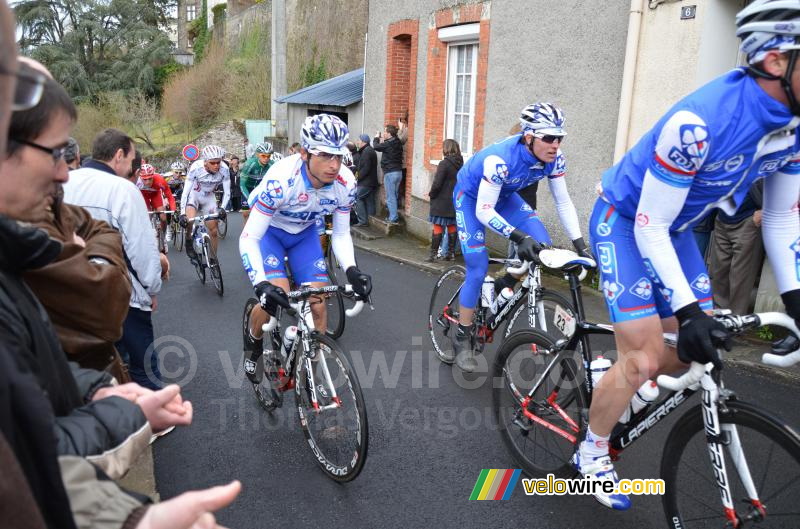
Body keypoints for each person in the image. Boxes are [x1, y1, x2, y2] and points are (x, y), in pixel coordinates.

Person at [579, 1, 800, 511]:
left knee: (694, 344)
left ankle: (610, 379)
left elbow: (784, 217)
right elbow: (647, 223)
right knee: (643, 358)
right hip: (626, 222)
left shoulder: (791, 127)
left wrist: (794, 297)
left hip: (671, 228)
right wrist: (688, 309)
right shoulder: (699, 123)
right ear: (775, 62)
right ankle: (591, 454)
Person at [449, 102, 589, 373]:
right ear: (529, 137)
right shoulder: (499, 160)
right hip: (472, 198)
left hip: (503, 197)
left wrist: (580, 246)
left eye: (559, 138)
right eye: (548, 138)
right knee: (477, 268)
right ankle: (462, 335)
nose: (555, 144)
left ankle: (507, 279)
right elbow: (483, 211)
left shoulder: (554, 159)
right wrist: (516, 235)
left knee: (542, 246)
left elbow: (563, 202)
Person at [239, 114, 373, 391]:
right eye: (324, 156)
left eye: (338, 155)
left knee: (318, 301)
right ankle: (253, 340)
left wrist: (352, 270)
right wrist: (260, 284)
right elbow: (249, 237)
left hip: (305, 235)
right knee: (275, 296)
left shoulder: (345, 184)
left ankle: (311, 369)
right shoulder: (281, 180)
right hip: (270, 234)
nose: (334, 165)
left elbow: (340, 233)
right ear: (304, 153)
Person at [64, 128, 167, 390]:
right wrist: (152, 287)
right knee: (143, 363)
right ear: (119, 155)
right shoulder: (122, 189)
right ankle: (155, 421)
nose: (133, 166)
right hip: (120, 291)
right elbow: (141, 248)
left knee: (101, 361)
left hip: (72, 289)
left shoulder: (63, 183)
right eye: (132, 158)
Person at [708, 180, 764, 315]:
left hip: (748, 221)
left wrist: (765, 211)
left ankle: (735, 320)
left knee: (740, 276)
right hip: (723, 217)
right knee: (718, 271)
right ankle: (719, 315)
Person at [178, 144, 229, 266]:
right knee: (189, 221)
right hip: (195, 196)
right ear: (205, 162)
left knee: (214, 231)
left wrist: (223, 208)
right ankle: (189, 242)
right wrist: (182, 213)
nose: (217, 165)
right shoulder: (196, 168)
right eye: (213, 163)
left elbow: (227, 192)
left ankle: (213, 259)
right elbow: (185, 193)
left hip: (209, 198)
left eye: (218, 162)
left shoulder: (224, 169)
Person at [427, 139, 462, 261]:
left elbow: (437, 184)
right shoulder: (461, 164)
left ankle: (433, 255)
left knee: (437, 226)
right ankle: (450, 254)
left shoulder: (444, 163)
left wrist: (431, 194)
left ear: (446, 149)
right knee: (452, 226)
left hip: (441, 200)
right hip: (454, 200)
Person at [137, 163, 176, 246]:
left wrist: (173, 210)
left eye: (150, 179)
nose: (147, 182)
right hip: (144, 196)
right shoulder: (136, 181)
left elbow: (169, 196)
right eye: (144, 179)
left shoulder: (159, 180)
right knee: (147, 216)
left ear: (153, 175)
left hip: (155, 195)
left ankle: (163, 236)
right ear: (140, 177)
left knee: (163, 217)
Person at [373, 123, 404, 223]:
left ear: (389, 133)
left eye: (385, 132)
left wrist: (376, 137)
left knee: (390, 197)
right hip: (398, 172)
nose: (384, 134)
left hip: (390, 173)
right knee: (394, 195)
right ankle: (393, 215)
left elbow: (376, 146)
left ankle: (393, 218)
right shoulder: (397, 141)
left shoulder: (388, 144)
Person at [239, 141, 274, 222]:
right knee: (246, 213)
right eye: (263, 156)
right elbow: (242, 184)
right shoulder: (250, 164)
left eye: (268, 156)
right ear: (258, 155)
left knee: (263, 214)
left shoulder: (272, 165)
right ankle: (246, 233)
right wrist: (249, 198)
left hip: (260, 189)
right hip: (247, 189)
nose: (266, 158)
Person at [354, 133, 378, 226]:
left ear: (363, 141)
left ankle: (363, 221)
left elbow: (365, 168)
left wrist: (357, 178)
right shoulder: (368, 150)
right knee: (369, 199)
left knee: (357, 197)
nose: (357, 142)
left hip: (366, 182)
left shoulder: (367, 151)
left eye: (358, 140)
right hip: (370, 181)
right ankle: (371, 219)